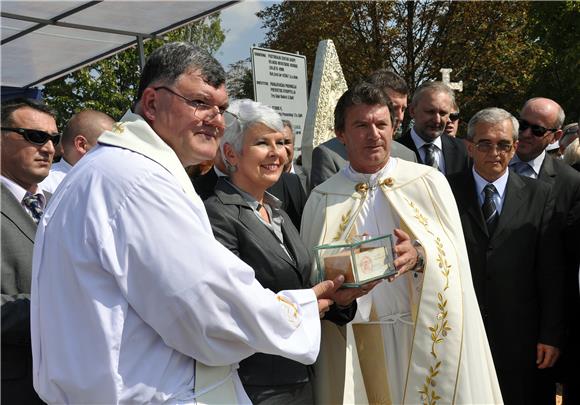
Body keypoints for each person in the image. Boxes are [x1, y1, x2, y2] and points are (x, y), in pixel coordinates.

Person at [30, 42, 342, 404]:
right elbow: (205, 308)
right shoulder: (137, 180)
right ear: (151, 103)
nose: (216, 119)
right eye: (200, 102)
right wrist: (298, 310)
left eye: (221, 108)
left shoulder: (112, 168)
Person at [301, 82, 502, 404]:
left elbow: (457, 258)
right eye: (361, 125)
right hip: (353, 339)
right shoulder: (322, 197)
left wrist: (420, 254)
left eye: (381, 124)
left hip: (420, 334)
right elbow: (311, 276)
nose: (374, 134)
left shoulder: (427, 181)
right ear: (341, 133)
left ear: (394, 128)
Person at [205, 99, 359, 404]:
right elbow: (234, 302)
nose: (277, 153)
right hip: (256, 381)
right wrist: (309, 303)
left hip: (299, 374)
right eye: (262, 143)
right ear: (231, 153)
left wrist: (339, 298)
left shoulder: (277, 212)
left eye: (280, 142)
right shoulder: (216, 213)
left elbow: (299, 285)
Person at [447, 107, 564, 404]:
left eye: (504, 144)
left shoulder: (541, 195)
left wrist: (550, 335)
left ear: (514, 148)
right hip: (461, 334)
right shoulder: (446, 191)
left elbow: (551, 272)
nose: (494, 152)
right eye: (485, 143)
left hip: (521, 339)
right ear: (469, 146)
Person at [510, 97, 580, 404]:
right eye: (521, 124)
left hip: (540, 322)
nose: (524, 133)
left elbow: (563, 266)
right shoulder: (485, 168)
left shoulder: (570, 183)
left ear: (554, 135)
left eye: (536, 130)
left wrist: (552, 332)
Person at [1, 98, 60, 404]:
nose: (49, 148)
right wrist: (59, 308)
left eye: (54, 138)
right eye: (36, 137)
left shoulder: (65, 203)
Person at [309, 69, 416, 190]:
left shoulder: (408, 155)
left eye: (403, 109)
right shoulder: (329, 155)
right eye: (393, 107)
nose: (400, 116)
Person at [399, 81, 469, 175]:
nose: (437, 120)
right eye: (430, 112)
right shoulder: (395, 152)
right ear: (412, 111)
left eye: (443, 113)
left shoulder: (462, 151)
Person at [39, 109, 114, 192]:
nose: (116, 154)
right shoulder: (44, 185)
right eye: (110, 146)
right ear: (81, 145)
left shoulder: (102, 185)